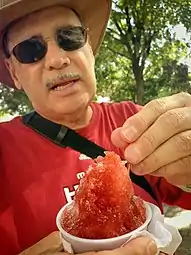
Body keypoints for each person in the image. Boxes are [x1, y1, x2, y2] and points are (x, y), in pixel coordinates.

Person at [0, 0, 191, 254]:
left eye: (69, 37)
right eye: (30, 50)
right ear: (14, 73)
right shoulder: (4, 149)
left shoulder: (136, 121)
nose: (57, 59)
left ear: (89, 48)